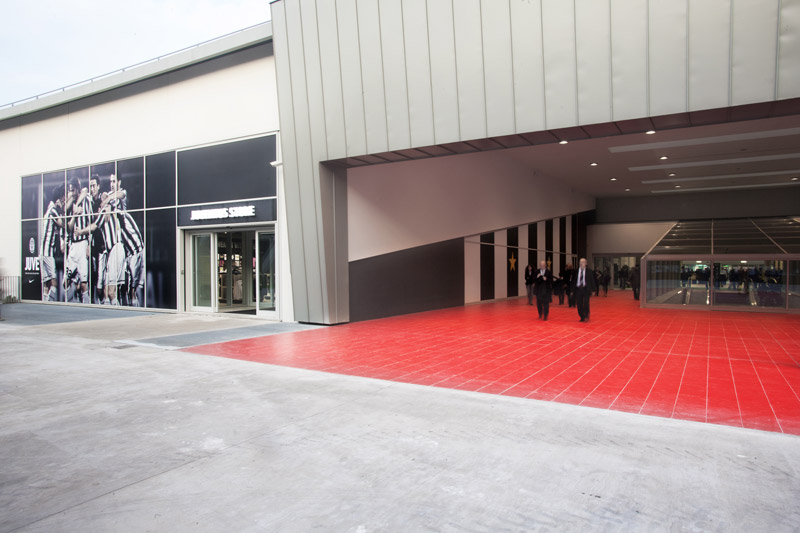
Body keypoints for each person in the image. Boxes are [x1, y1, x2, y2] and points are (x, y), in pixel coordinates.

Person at [41, 185, 65, 301]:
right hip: (47, 252)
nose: (63, 201)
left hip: (42, 252)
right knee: (54, 283)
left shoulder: (48, 210)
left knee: (46, 285)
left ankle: (44, 304)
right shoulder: (53, 210)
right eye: (63, 199)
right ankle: (50, 304)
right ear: (58, 199)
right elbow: (62, 224)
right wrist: (62, 210)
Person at [572, 257, 596, 322]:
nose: (581, 263)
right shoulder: (576, 271)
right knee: (579, 304)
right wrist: (572, 290)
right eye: (580, 262)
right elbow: (573, 281)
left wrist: (594, 290)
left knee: (586, 302)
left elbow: (592, 280)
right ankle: (582, 316)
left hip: (586, 289)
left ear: (586, 263)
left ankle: (586, 314)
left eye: (583, 262)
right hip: (578, 289)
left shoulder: (589, 271)